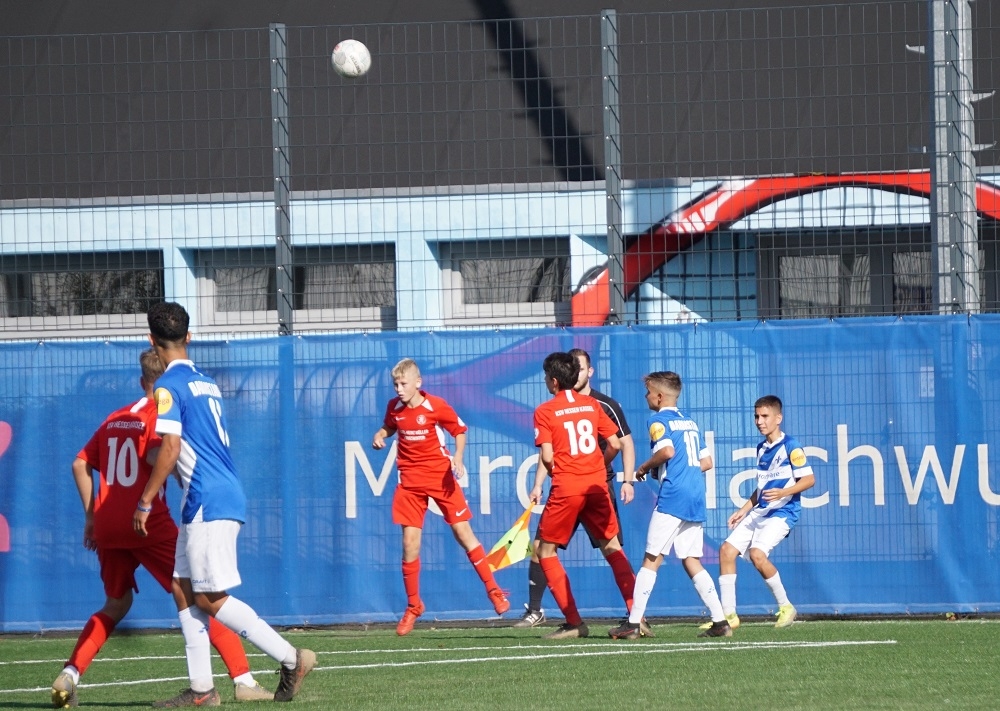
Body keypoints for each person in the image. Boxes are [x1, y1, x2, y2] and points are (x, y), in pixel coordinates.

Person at [51, 349, 272, 709]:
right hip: (146, 523)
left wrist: (91, 517)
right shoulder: (160, 414)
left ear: (141, 381)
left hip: (107, 525)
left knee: (116, 603)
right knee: (201, 594)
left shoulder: (116, 417)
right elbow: (159, 454)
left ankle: (71, 673)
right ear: (167, 380)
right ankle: (243, 679)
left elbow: (80, 464)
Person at [133, 302, 315, 707]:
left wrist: (145, 501)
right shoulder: (206, 382)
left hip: (206, 498)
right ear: (189, 337)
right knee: (183, 589)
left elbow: (171, 448)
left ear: (151, 339)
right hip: (213, 494)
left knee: (208, 597)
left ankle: (291, 658)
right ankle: (202, 689)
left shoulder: (167, 386)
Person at [371, 358, 510, 636]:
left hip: (440, 478)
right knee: (409, 544)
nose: (399, 389)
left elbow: (459, 430)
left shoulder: (435, 405)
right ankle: (414, 605)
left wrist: (458, 457)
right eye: (395, 384)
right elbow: (390, 426)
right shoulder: (394, 407)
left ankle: (493, 590)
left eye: (403, 383)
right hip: (410, 484)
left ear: (418, 383)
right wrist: (380, 434)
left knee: (463, 533)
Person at [515, 348, 642, 632]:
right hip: (597, 484)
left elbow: (548, 456)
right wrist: (598, 464)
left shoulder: (545, 410)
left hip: (567, 487)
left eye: (546, 377)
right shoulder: (592, 405)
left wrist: (556, 472)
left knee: (545, 550)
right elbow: (616, 444)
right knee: (612, 547)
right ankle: (637, 617)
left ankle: (574, 623)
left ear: (553, 381)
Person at [607, 371, 731, 640]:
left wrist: (644, 468)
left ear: (660, 396)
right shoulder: (690, 422)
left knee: (651, 558)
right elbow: (707, 462)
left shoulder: (657, 420)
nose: (646, 396)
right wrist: (676, 469)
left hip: (674, 495)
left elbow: (666, 452)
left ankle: (633, 624)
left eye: (649, 392)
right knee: (691, 559)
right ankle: (720, 621)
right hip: (695, 495)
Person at [703, 394, 815, 630]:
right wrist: (744, 510)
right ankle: (729, 616)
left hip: (783, 512)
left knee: (757, 555)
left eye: (765, 416)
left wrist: (784, 492)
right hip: (761, 511)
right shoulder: (761, 448)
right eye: (756, 416)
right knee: (726, 551)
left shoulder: (792, 446)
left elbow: (809, 480)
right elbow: (762, 488)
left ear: (778, 418)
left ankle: (786, 606)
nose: (759, 421)